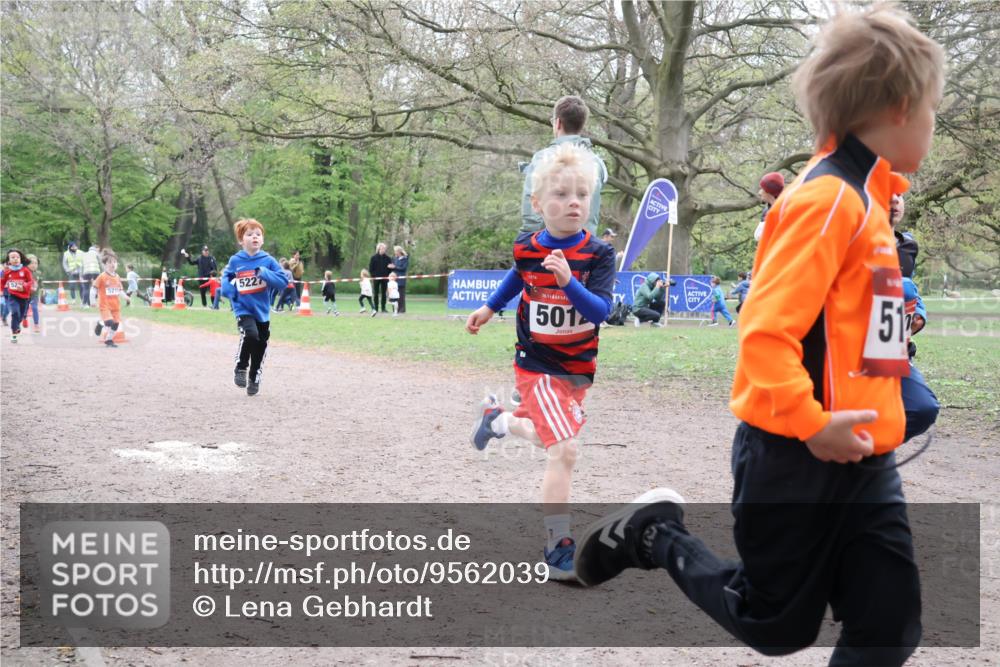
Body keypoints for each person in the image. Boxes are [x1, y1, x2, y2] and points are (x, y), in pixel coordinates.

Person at [573, 7, 943, 666]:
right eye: (934, 109)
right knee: (775, 623)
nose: (935, 125)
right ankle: (653, 533)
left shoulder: (867, 201)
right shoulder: (825, 201)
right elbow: (765, 333)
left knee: (887, 624)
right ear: (899, 106)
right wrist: (810, 422)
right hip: (796, 452)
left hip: (864, 456)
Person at [466, 143, 615, 580]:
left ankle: (497, 420)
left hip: (577, 368)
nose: (574, 203)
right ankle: (557, 545)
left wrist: (569, 282)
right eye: (562, 194)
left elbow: (600, 312)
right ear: (537, 203)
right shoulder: (528, 247)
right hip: (536, 364)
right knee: (565, 449)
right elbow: (519, 274)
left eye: (582, 195)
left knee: (547, 436)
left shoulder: (599, 255)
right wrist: (490, 308)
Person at [890, 193, 940, 442]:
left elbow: (911, 290)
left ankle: (865, 456)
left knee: (923, 408)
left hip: (894, 347)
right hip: (847, 350)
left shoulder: (908, 245)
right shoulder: (848, 239)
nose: (895, 201)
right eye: (887, 193)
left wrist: (919, 314)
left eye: (899, 196)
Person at [220, 219, 288, 396]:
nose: (254, 237)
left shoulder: (268, 260)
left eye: (258, 234)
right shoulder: (236, 260)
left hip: (262, 311)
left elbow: (283, 282)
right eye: (249, 235)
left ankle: (254, 375)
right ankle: (241, 367)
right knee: (250, 334)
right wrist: (230, 292)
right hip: (243, 308)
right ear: (242, 240)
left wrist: (264, 273)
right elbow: (225, 278)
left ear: (262, 239)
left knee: (260, 343)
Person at [520, 95, 608, 235]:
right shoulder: (596, 163)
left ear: (558, 123)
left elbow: (531, 216)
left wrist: (526, 245)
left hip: (549, 249)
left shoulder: (543, 159)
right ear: (582, 125)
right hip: (587, 248)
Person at [92, 250, 124, 348]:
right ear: (105, 264)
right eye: (110, 262)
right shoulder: (102, 276)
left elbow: (120, 290)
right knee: (110, 322)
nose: (112, 264)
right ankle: (100, 324)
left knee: (116, 324)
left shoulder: (117, 277)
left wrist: (126, 297)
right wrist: (92, 301)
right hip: (105, 305)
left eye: (114, 262)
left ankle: (109, 340)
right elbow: (93, 289)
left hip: (115, 306)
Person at [1, 249, 33, 343]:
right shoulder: (7, 271)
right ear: (9, 260)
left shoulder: (25, 270)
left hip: (24, 297)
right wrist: (1, 290)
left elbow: (30, 281)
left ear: (21, 258)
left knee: (21, 315)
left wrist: (24, 286)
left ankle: (17, 325)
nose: (15, 259)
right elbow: (2, 281)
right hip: (13, 296)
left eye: (17, 257)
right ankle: (14, 333)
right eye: (13, 257)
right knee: (15, 312)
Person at [753, 172, 785, 242]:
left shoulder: (783, 212)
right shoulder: (767, 209)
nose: (759, 192)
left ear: (769, 191)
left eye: (762, 189)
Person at [368, 242, 392, 313]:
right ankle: (375, 308)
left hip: (385, 278)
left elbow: (390, 269)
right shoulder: (373, 258)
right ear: (379, 249)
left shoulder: (388, 258)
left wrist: (389, 274)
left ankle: (383, 308)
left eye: (385, 248)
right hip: (376, 278)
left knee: (384, 293)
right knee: (376, 293)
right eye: (382, 248)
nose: (384, 250)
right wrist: (374, 276)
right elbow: (371, 268)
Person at [387, 246, 409, 314]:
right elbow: (393, 267)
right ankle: (395, 309)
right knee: (393, 294)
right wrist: (391, 266)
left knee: (401, 295)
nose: (395, 252)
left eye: (396, 251)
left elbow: (403, 268)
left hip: (401, 279)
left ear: (399, 252)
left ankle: (402, 309)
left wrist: (395, 267)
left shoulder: (405, 259)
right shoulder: (394, 258)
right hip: (394, 279)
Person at [26, 255, 42, 332]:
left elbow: (40, 282)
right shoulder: (24, 272)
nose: (34, 265)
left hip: (34, 295)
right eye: (31, 263)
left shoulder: (38, 273)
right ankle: (23, 319)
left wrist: (42, 289)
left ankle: (36, 325)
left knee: (34, 308)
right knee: (24, 309)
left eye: (36, 263)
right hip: (25, 294)